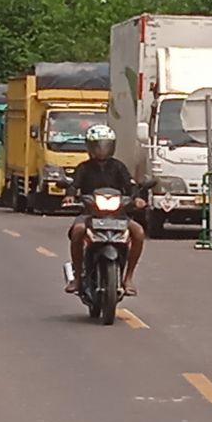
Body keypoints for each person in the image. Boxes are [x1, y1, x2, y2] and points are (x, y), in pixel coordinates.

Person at [63, 125, 146, 296]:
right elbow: (74, 184)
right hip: (90, 214)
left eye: (105, 145)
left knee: (138, 232)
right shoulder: (84, 167)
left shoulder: (118, 167)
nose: (101, 150)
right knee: (78, 231)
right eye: (97, 146)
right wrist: (70, 195)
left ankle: (128, 277)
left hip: (118, 215)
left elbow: (130, 186)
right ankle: (78, 277)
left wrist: (136, 198)